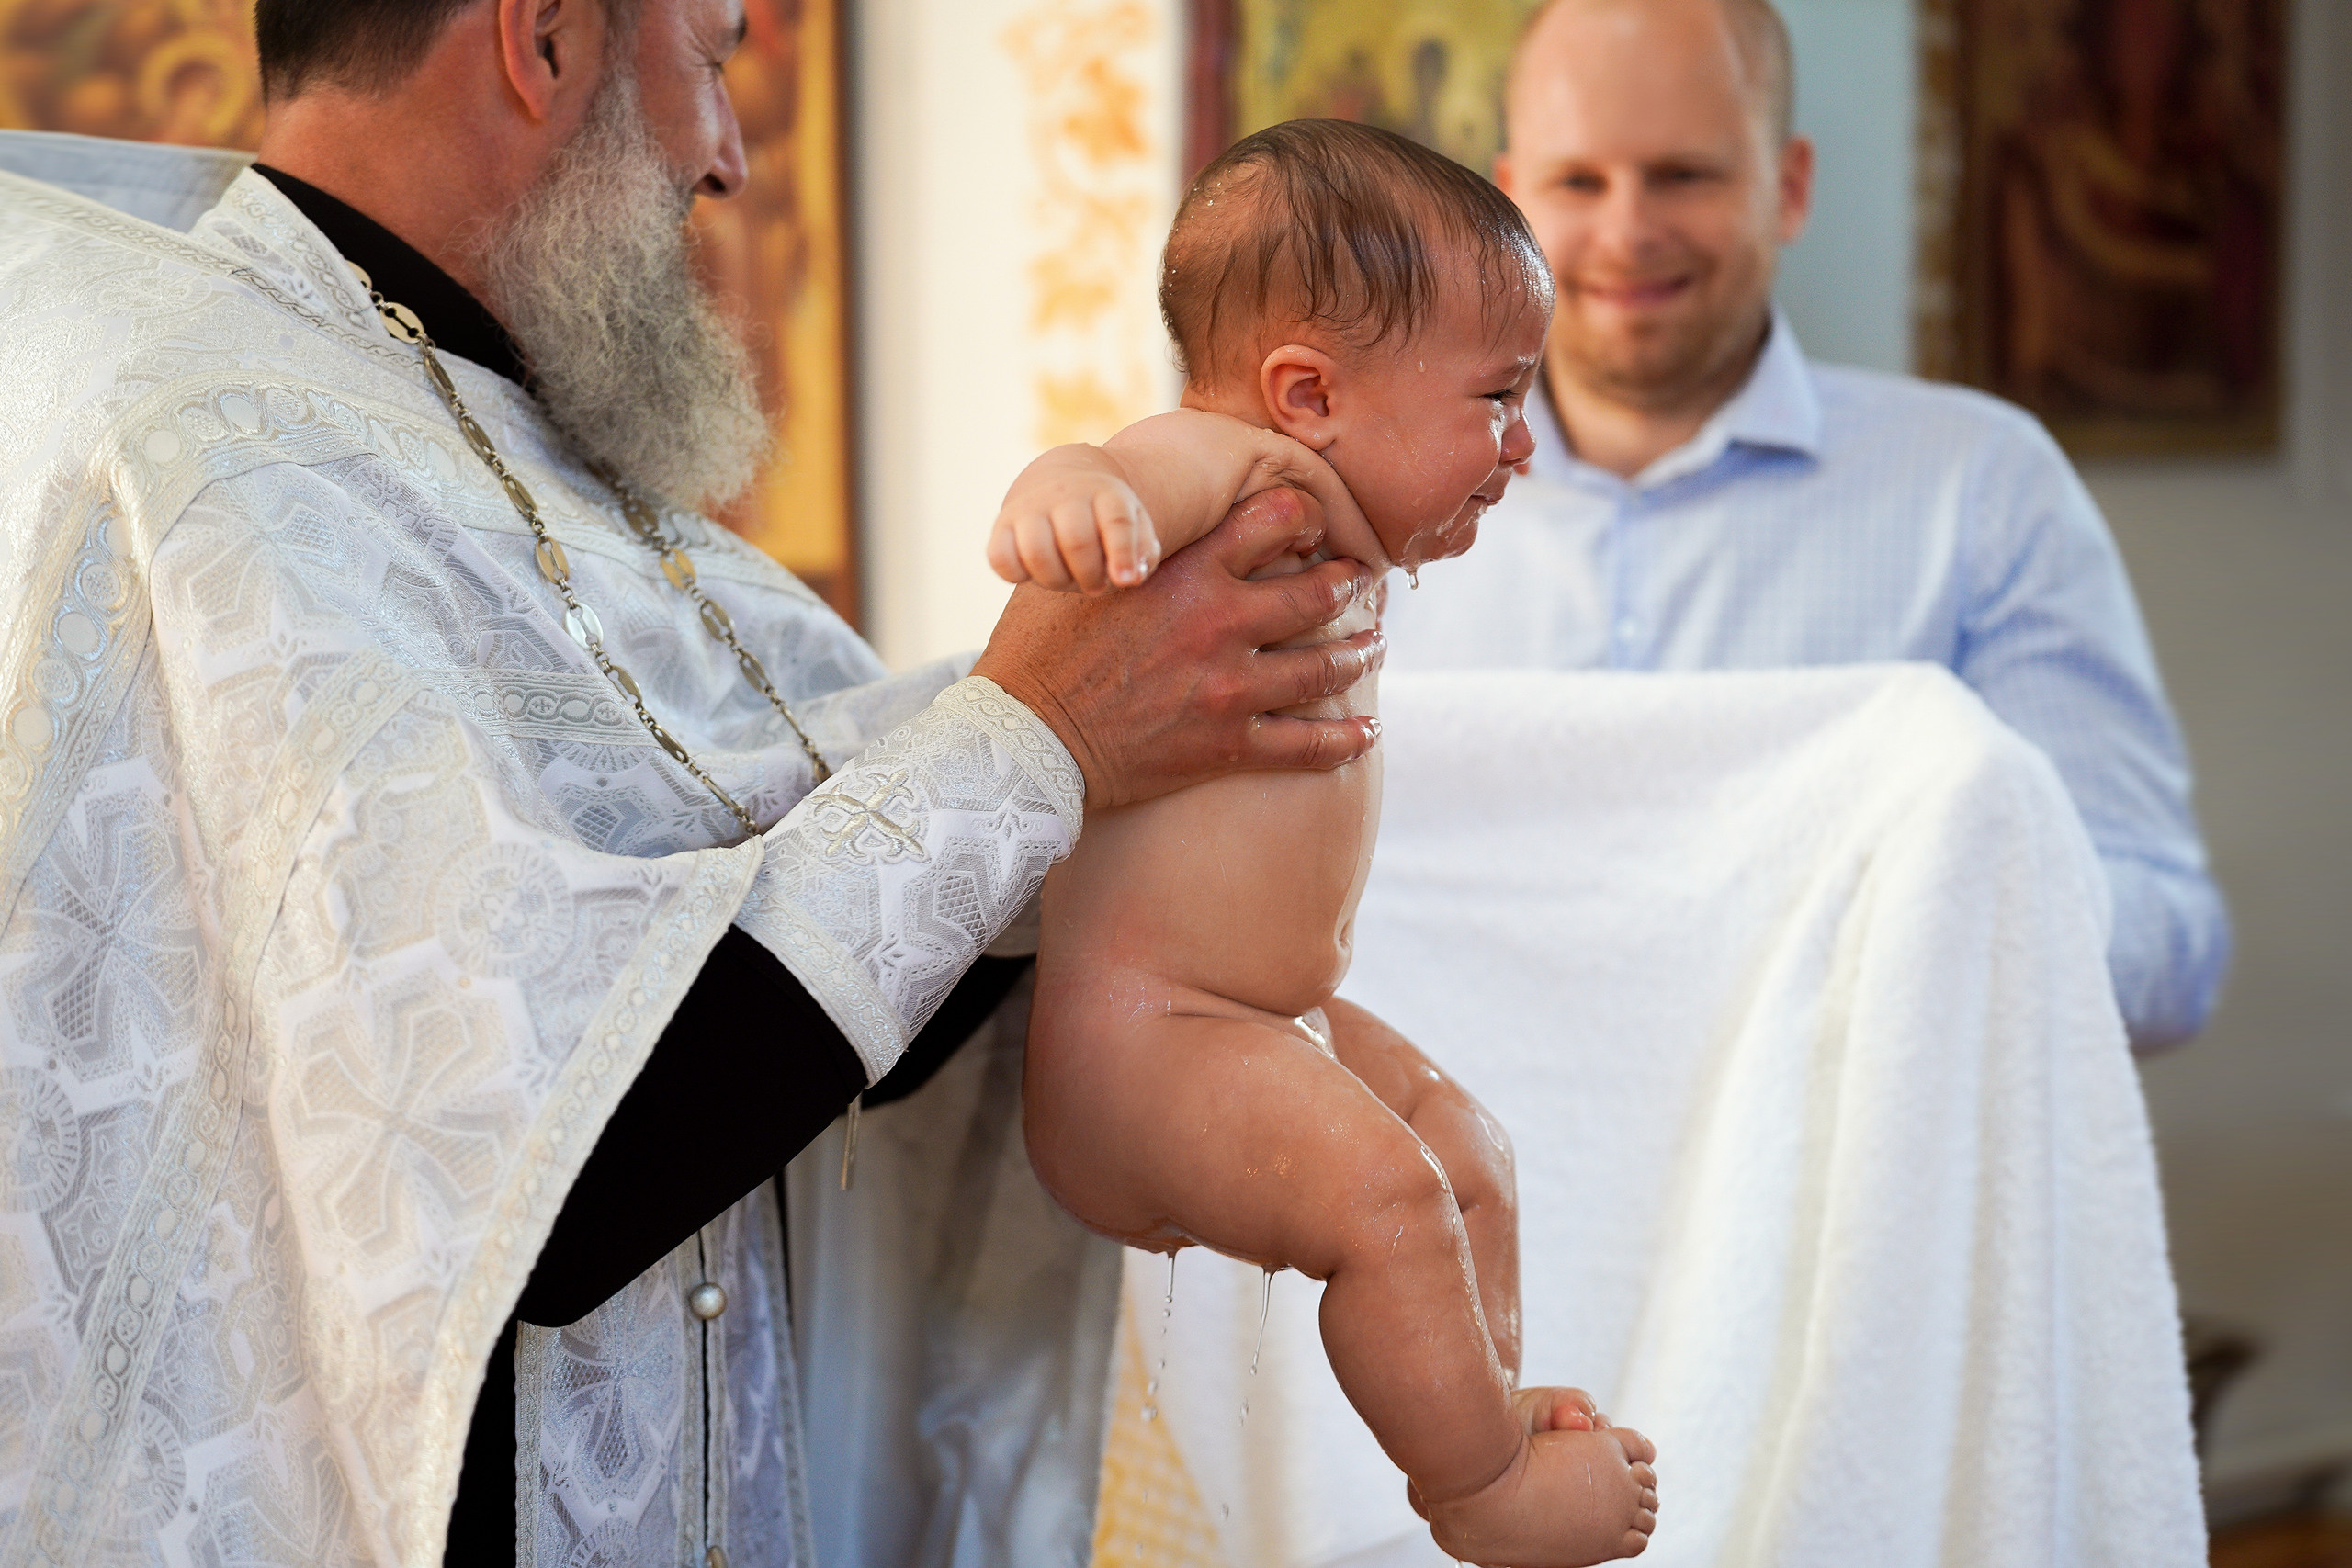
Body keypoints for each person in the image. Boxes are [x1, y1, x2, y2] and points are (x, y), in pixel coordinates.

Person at [0, 2, 1390, 1563]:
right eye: (715, 60)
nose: (727, 158)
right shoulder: (221, 464)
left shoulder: (503, 433)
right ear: (541, 40)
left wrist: (1123, 754)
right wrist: (1045, 737)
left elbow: (764, 1001)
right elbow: (535, 1163)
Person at [993, 120, 1659, 1567]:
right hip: (1141, 1037)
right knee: (1391, 1197)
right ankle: (1480, 1489)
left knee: (1466, 1150)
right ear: (1308, 395)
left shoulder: (1342, 525)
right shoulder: (1230, 469)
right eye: (1498, 396)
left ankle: (1478, 1395)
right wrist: (1070, 502)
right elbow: (1110, 468)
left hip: (1260, 1019)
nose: (1524, 442)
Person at [1377, 0, 2229, 1050]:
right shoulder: (1359, 510)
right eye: (1578, 182)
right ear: (1509, 203)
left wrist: (1927, 919)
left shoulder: (1983, 491)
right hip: (1433, 1150)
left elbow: (2166, 954)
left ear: (1787, 187)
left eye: (1683, 175)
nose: (1628, 232)